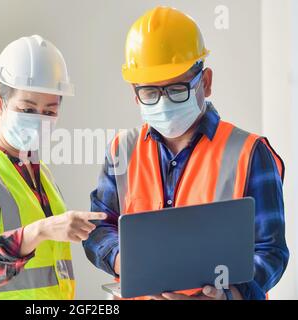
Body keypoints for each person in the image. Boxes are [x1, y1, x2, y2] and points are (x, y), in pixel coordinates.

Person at [83, 6, 288, 300]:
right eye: (150, 92)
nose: (163, 103)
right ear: (135, 93)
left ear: (205, 82)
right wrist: (121, 260)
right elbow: (99, 226)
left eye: (177, 89)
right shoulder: (122, 150)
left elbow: (271, 251)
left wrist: (228, 295)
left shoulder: (250, 152)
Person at [0, 35, 106, 300]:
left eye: (49, 112)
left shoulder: (36, 170)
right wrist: (40, 230)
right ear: (0, 104)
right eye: (27, 108)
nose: (39, 119)